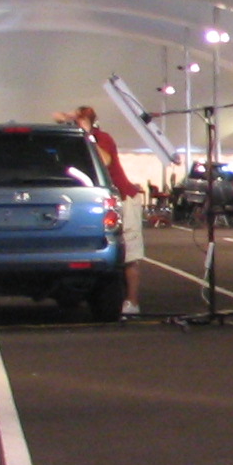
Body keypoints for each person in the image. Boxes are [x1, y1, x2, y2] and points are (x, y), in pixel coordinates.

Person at [60, 105, 144, 317]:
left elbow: (105, 160)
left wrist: (88, 134)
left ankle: (132, 301)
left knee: (129, 255)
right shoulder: (77, 141)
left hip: (124, 198)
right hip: (104, 200)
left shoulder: (100, 138)